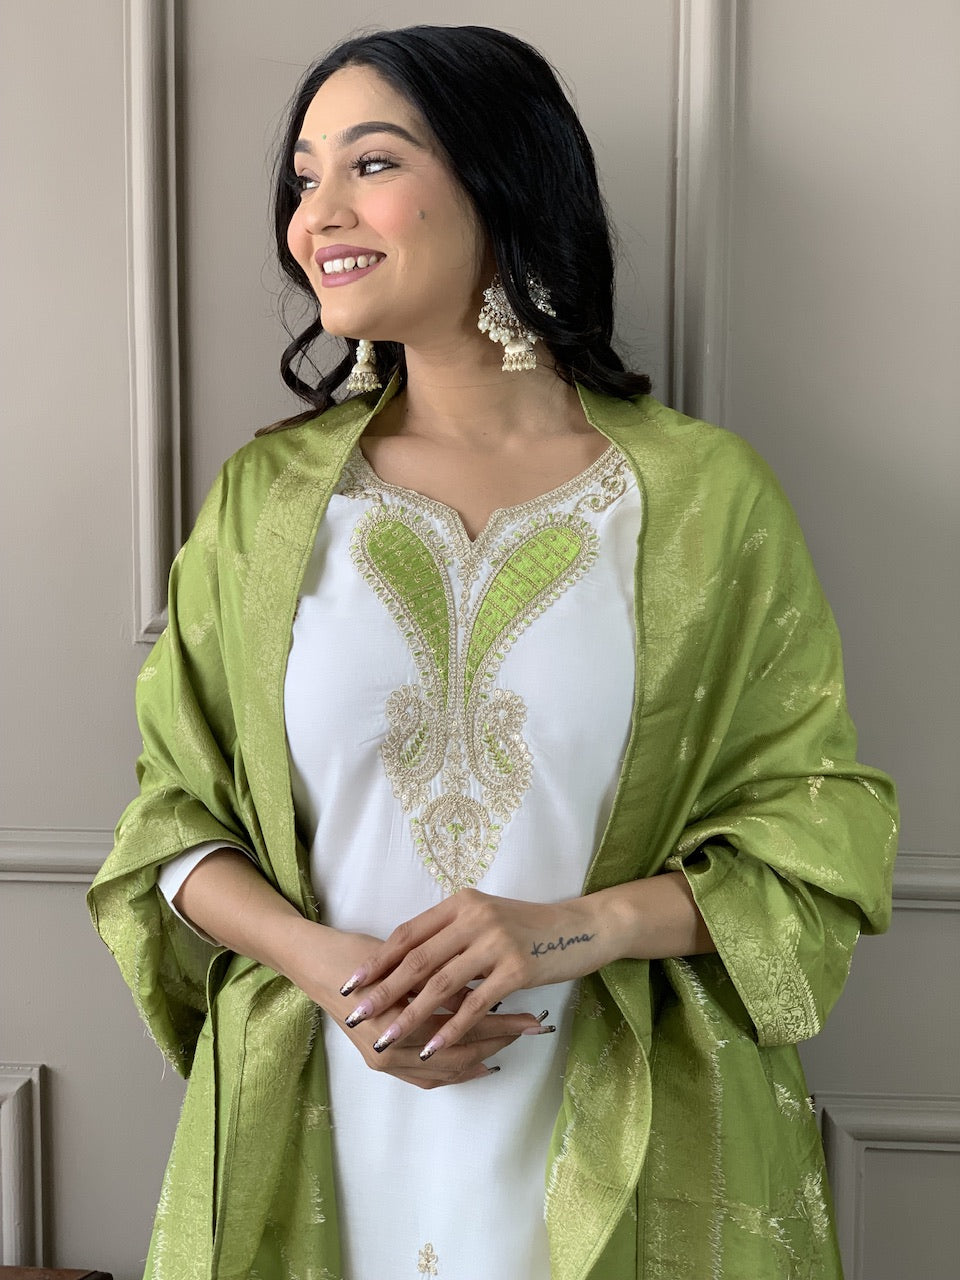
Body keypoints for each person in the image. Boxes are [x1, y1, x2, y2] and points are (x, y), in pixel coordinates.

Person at [88, 24, 898, 1280]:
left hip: (625, 1125)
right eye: (303, 176)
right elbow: (167, 827)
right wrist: (337, 971)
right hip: (324, 1122)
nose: (316, 215)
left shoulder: (699, 498)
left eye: (370, 163)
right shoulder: (269, 498)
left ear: (501, 181)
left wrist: (567, 929)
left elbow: (816, 830)